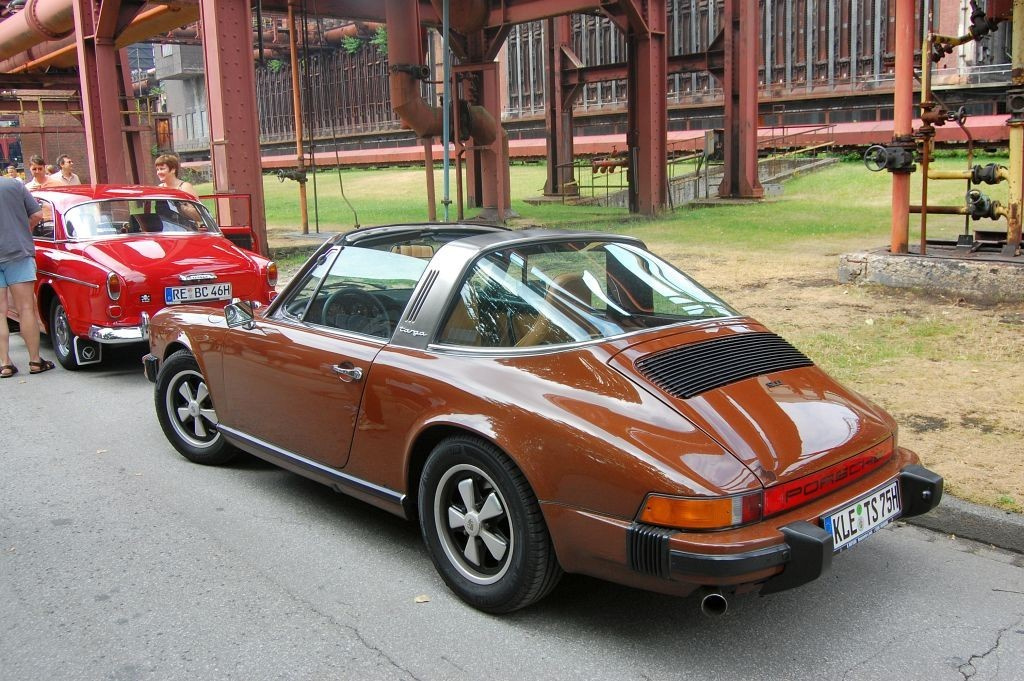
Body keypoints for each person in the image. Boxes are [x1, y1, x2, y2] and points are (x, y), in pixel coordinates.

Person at [0, 175, 54, 377]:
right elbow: (38, 214)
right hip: (18, 252)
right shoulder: (14, 184)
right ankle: (35, 361)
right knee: (26, 308)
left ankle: (5, 363)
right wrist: (24, 229)